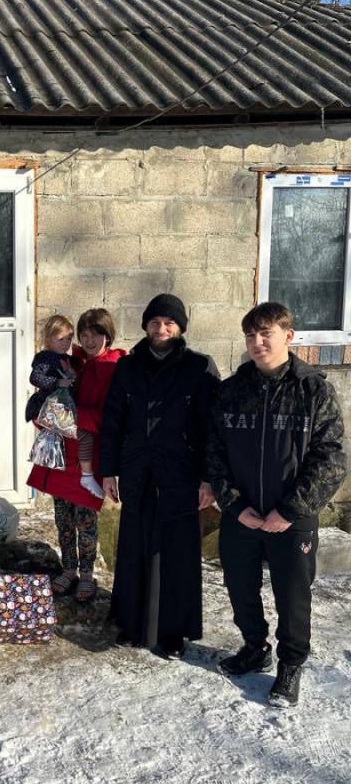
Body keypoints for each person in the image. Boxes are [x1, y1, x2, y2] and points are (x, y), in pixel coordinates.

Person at [207, 302, 345, 707]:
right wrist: (235, 506)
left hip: (292, 518)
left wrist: (290, 510)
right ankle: (254, 647)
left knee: (293, 595)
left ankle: (290, 664)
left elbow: (331, 458)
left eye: (266, 333)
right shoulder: (231, 392)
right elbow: (214, 454)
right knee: (240, 587)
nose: (257, 342)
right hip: (243, 515)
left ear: (288, 335)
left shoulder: (313, 390)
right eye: (250, 335)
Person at [100, 293, 219, 659]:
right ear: (145, 326)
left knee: (176, 554)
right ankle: (131, 624)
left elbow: (212, 429)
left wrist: (209, 478)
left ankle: (172, 633)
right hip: (137, 472)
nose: (161, 328)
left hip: (181, 475)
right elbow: (113, 422)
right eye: (155, 322)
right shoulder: (128, 367)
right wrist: (108, 471)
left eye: (169, 322)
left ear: (180, 327)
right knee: (134, 549)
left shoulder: (199, 367)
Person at [28, 308, 125, 602]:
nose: (89, 340)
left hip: (88, 459)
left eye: (96, 334)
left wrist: (67, 415)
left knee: (86, 522)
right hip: (62, 455)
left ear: (108, 335)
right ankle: (68, 568)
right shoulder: (74, 362)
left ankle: (86, 574)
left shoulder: (115, 368)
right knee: (63, 519)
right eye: (84, 335)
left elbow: (111, 417)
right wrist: (45, 413)